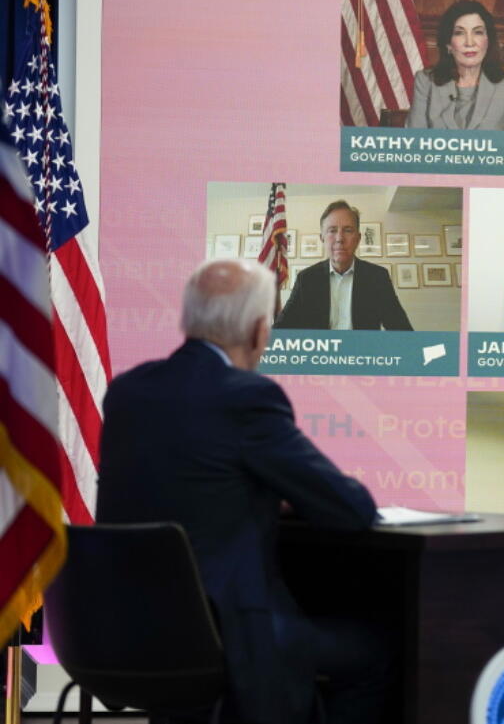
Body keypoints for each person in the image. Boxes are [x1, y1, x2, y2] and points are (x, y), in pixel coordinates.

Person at [96, 259, 391, 724]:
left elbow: (188, 485)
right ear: (258, 331)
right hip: (230, 638)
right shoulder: (247, 397)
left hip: (130, 634)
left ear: (188, 322)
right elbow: (352, 508)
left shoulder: (128, 393)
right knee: (378, 652)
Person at [275, 200, 413, 330]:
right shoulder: (306, 279)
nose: (340, 238)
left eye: (348, 230)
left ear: (358, 239)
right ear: (322, 238)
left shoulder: (377, 277)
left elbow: (402, 330)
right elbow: (282, 329)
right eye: (332, 230)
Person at [406, 0, 504, 131]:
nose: (470, 42)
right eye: (459, 33)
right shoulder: (426, 82)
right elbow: (412, 143)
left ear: (488, 41)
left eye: (478, 32)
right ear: (448, 44)